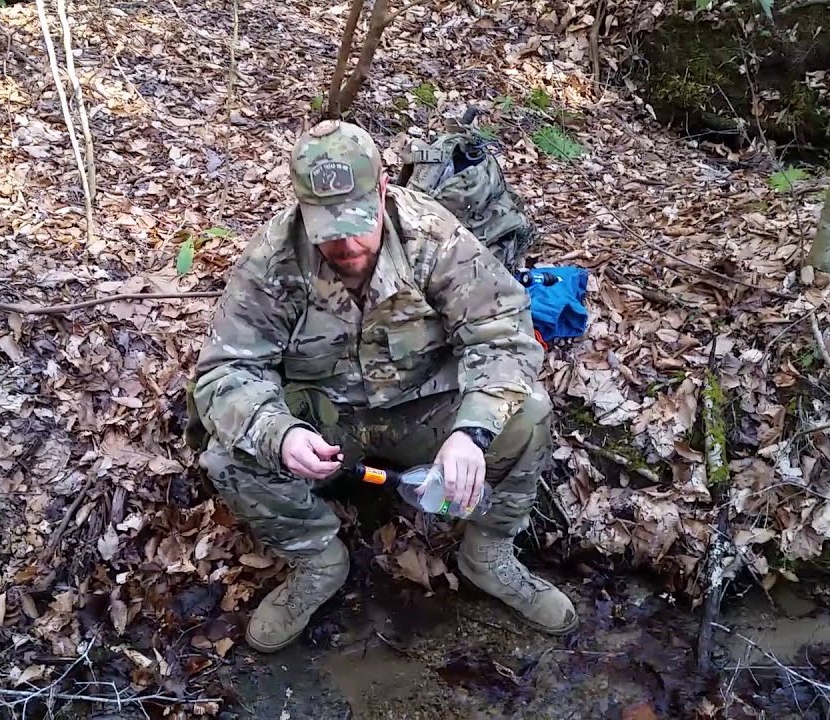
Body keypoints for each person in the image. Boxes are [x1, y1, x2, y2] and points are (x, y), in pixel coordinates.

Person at [189, 119, 577, 653]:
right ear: (302, 209)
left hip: (425, 410)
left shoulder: (433, 236)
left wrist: (472, 432)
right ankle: (316, 558)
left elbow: (505, 336)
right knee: (227, 453)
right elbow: (224, 372)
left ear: (383, 190)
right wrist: (279, 432)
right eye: (329, 230)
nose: (347, 244)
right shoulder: (272, 260)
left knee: (528, 414)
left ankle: (487, 554)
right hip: (327, 424)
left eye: (358, 222)